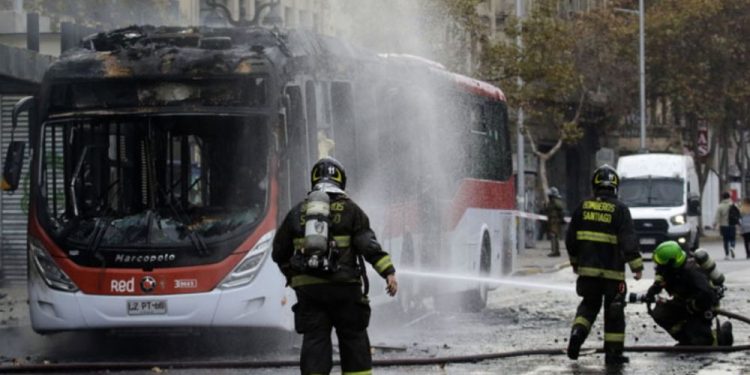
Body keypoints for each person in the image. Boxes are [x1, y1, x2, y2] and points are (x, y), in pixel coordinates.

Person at [272, 157, 398, 375]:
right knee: (353, 338)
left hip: (309, 291)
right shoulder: (351, 211)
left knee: (315, 341)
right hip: (345, 288)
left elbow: (279, 252)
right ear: (341, 180)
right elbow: (368, 245)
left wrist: (293, 276)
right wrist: (388, 272)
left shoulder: (297, 213)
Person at [565, 164, 643, 365]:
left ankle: (577, 333)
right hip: (613, 275)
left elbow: (571, 239)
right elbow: (628, 239)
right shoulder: (620, 209)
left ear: (595, 185)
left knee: (589, 306)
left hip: (588, 272)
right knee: (614, 311)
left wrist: (575, 263)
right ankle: (613, 355)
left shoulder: (582, 207)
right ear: (615, 186)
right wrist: (636, 266)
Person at [645, 241, 732, 346]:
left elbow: (707, 295)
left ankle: (723, 335)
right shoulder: (672, 269)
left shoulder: (692, 272)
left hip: (704, 306)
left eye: (661, 263)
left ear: (671, 262)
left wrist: (692, 307)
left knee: (702, 342)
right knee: (660, 313)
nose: (658, 266)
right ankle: (685, 339)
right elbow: (661, 279)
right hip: (684, 303)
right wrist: (652, 291)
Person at [714, 191, 737, 260]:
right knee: (733, 238)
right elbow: (738, 214)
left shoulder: (720, 206)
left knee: (725, 240)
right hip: (732, 224)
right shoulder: (733, 204)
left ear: (723, 197)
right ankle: (732, 247)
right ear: (729, 197)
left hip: (724, 225)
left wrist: (716, 224)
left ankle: (727, 255)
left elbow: (717, 216)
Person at [545, 187, 565, 257]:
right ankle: (555, 251)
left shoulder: (556, 201)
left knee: (554, 236)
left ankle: (555, 251)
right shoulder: (552, 202)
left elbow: (561, 210)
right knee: (554, 235)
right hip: (552, 220)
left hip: (555, 221)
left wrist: (561, 219)